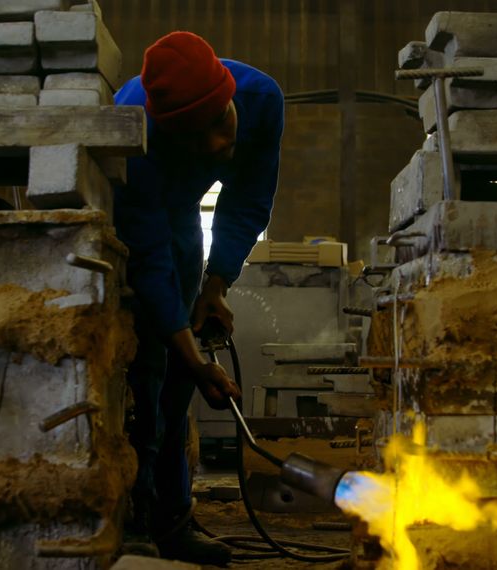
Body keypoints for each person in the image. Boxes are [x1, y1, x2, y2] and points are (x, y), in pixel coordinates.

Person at [112, 31, 284, 565]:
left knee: (179, 383)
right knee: (148, 372)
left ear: (231, 94)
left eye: (221, 124)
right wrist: (185, 346)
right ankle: (136, 518)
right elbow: (150, 256)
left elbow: (247, 198)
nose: (215, 146)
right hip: (152, 217)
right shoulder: (132, 132)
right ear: (167, 130)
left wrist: (217, 285)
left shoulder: (262, 99)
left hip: (184, 217)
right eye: (197, 136)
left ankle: (175, 519)